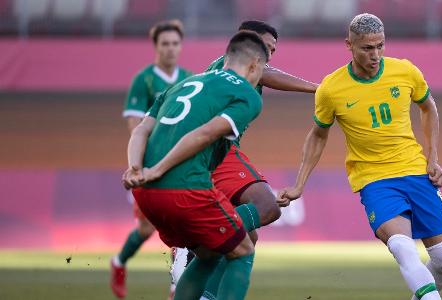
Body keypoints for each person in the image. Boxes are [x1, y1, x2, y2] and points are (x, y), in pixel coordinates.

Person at [277, 14, 442, 300]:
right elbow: (318, 134)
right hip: (374, 180)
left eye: (380, 46)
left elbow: (428, 107)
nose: (375, 55)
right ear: (349, 45)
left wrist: (433, 157)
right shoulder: (331, 88)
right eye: (367, 48)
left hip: (415, 171)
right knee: (402, 246)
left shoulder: (405, 71)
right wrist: (299, 184)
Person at [169, 20, 318, 300]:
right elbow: (267, 73)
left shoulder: (223, 76)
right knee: (266, 206)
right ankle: (196, 241)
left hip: (202, 155)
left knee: (246, 239)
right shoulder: (233, 68)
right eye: (265, 47)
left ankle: (206, 293)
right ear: (245, 43)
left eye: (273, 50)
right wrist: (317, 88)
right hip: (213, 150)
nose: (269, 55)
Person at [122, 31, 270, 300]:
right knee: (243, 248)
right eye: (263, 70)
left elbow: (141, 130)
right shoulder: (247, 96)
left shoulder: (181, 85)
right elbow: (205, 134)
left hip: (145, 194)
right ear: (254, 65)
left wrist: (136, 168)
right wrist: (160, 168)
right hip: (186, 189)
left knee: (209, 252)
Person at [112, 19, 192, 299]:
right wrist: (142, 163)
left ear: (180, 46)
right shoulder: (144, 79)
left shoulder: (190, 79)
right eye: (165, 44)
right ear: (156, 47)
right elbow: (136, 125)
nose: (171, 49)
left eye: (175, 44)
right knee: (146, 228)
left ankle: (176, 286)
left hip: (179, 163)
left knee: (184, 224)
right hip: (148, 164)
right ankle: (119, 262)